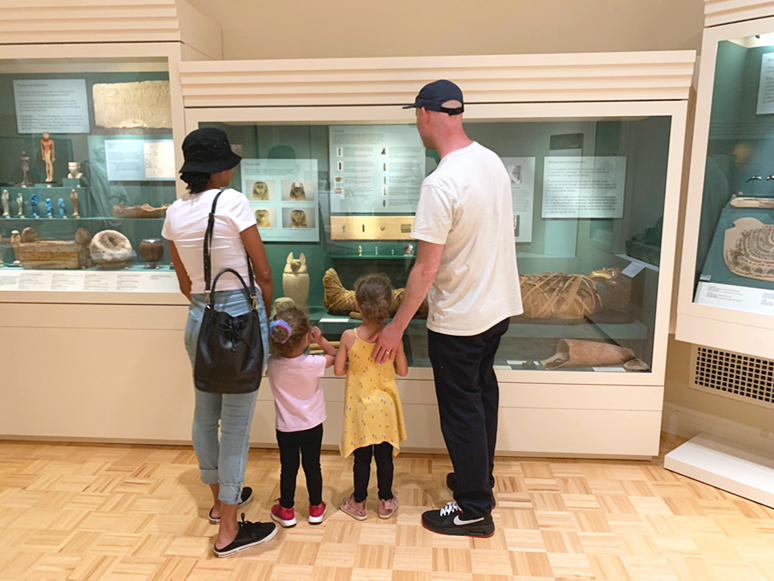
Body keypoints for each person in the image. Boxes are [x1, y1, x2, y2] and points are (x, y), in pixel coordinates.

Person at [372, 80, 523, 537]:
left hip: (460, 318)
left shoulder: (441, 182)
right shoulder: (490, 160)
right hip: (496, 310)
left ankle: (473, 507)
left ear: (424, 115)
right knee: (481, 399)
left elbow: (425, 268)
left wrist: (396, 327)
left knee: (462, 412)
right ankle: (476, 479)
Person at [162, 127, 277, 557]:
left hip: (199, 317)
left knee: (204, 414)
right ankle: (229, 530)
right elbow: (263, 273)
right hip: (240, 318)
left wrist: (205, 308)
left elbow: (183, 282)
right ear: (217, 168)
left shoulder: (174, 212)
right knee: (237, 426)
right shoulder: (232, 202)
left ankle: (216, 503)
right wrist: (262, 318)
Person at [334, 274, 408, 520]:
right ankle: (386, 500)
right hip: (385, 407)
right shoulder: (392, 337)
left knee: (362, 459)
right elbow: (403, 371)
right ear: (388, 306)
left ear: (357, 305)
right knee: (384, 458)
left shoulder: (348, 337)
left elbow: (338, 370)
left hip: (360, 409)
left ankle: (359, 502)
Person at [266, 308, 336, 528]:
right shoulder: (313, 364)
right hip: (313, 425)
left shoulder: (272, 364)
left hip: (286, 429)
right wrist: (321, 339)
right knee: (313, 466)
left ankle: (286, 510)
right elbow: (333, 355)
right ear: (307, 338)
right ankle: (316, 507)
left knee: (289, 468)